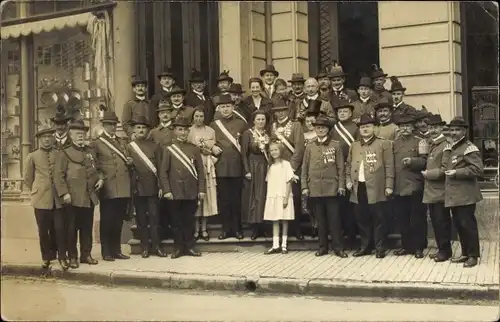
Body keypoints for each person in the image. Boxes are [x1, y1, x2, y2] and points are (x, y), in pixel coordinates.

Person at [54, 119, 103, 268]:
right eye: (77, 133)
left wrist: (101, 178)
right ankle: (73, 257)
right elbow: (58, 176)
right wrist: (64, 194)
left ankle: (86, 255)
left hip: (89, 196)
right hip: (73, 197)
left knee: (87, 228)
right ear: (70, 135)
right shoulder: (64, 153)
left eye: (82, 133)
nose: (80, 135)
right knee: (72, 229)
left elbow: (99, 168)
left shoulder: (90, 152)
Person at [346, 113, 394, 259]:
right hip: (358, 187)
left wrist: (389, 185)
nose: (365, 129)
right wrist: (348, 180)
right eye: (362, 127)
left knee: (379, 218)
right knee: (362, 218)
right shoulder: (354, 145)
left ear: (374, 127)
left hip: (377, 187)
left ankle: (380, 248)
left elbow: (389, 165)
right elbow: (348, 165)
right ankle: (365, 247)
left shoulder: (383, 143)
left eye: (367, 126)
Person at [160, 117, 206, 259]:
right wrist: (167, 190)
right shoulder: (168, 149)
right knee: (176, 221)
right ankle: (178, 247)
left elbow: (200, 171)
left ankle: (190, 246)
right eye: (180, 129)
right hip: (174, 192)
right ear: (174, 131)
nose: (183, 132)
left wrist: (201, 189)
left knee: (189, 220)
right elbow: (163, 172)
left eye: (186, 130)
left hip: (191, 191)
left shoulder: (194, 149)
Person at [302, 114, 347, 258]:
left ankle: (338, 248)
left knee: (335, 220)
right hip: (315, 188)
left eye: (323, 128)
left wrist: (341, 185)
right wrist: (305, 186)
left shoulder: (335, 145)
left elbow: (341, 167)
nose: (320, 130)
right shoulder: (310, 146)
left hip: (332, 188)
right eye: (318, 128)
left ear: (328, 130)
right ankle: (322, 247)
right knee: (320, 221)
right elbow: (305, 167)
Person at [25, 122, 68, 270]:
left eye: (49, 136)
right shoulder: (33, 156)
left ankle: (62, 257)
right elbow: (28, 178)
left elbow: (64, 174)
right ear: (39, 139)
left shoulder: (59, 154)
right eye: (44, 137)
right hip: (41, 199)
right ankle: (46, 257)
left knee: (60, 229)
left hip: (58, 199)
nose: (47, 140)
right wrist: (38, 190)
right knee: (43, 230)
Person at [91, 111, 133, 261]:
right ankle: (106, 251)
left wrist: (129, 161)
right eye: (109, 125)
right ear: (104, 126)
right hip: (108, 185)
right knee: (107, 220)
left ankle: (116, 250)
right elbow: (94, 165)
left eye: (114, 125)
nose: (112, 127)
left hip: (122, 185)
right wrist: (101, 178)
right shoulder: (97, 143)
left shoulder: (122, 142)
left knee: (118, 220)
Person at [443, 116, 483, 268]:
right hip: (454, 195)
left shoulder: (468, 148)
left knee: (468, 225)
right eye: (451, 130)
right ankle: (465, 252)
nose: (453, 133)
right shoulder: (452, 147)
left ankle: (473, 256)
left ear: (464, 131)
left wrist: (457, 172)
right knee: (459, 225)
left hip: (466, 195)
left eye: (457, 130)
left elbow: (478, 170)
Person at [125, 116, 167, 258]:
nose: (141, 130)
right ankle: (144, 247)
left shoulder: (155, 146)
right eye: (138, 127)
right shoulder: (129, 147)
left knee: (155, 218)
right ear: (134, 130)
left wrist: (162, 186)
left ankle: (157, 246)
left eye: (143, 127)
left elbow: (161, 168)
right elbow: (126, 170)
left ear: (148, 130)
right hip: (138, 187)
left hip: (153, 187)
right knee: (141, 219)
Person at [210, 94, 247, 240]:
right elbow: (208, 141)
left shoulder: (241, 124)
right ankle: (226, 229)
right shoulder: (213, 125)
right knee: (224, 200)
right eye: (223, 107)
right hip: (221, 166)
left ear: (233, 107)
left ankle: (237, 229)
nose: (226, 109)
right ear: (219, 108)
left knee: (236, 200)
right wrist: (212, 146)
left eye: (228, 106)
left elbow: (245, 144)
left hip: (237, 165)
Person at [392, 114, 428, 259]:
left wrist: (412, 161)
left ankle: (418, 247)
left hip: (415, 185)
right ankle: (406, 246)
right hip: (399, 186)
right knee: (402, 218)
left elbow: (425, 161)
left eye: (407, 126)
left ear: (413, 127)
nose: (405, 128)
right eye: (402, 126)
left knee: (417, 218)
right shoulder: (394, 143)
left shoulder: (420, 141)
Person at [271, 98, 306, 240]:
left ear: (287, 111)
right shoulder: (272, 126)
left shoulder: (295, 125)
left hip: (292, 167)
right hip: (277, 167)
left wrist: (291, 168)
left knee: (294, 198)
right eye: (277, 111)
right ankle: (279, 231)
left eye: (282, 110)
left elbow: (299, 148)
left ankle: (296, 229)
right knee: (279, 197)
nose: (280, 114)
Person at [421, 114, 452, 262]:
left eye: (435, 127)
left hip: (440, 191)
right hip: (431, 192)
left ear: (441, 128)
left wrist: (428, 174)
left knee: (442, 222)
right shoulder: (432, 143)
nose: (433, 130)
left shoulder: (445, 145)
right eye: (431, 127)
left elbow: (444, 169)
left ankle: (445, 252)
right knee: (435, 222)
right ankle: (441, 249)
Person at [329, 100, 360, 249]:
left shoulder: (356, 128)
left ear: (351, 113)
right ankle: (342, 237)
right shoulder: (334, 128)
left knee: (352, 207)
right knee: (340, 207)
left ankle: (352, 237)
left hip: (352, 169)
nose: (342, 113)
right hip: (337, 170)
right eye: (340, 111)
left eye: (345, 111)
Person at [187, 107, 219, 240]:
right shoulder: (188, 131)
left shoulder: (210, 131)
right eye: (196, 116)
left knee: (206, 196)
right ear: (193, 117)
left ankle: (204, 229)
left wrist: (209, 151)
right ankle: (195, 229)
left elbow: (214, 148)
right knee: (196, 197)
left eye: (201, 116)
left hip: (206, 165)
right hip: (193, 165)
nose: (198, 119)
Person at [241, 110, 271, 240]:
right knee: (254, 196)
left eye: (263, 119)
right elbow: (244, 154)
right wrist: (247, 170)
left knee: (264, 195)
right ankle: (254, 228)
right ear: (253, 121)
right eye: (258, 119)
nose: (261, 122)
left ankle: (264, 227)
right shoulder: (248, 134)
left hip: (265, 166)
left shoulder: (268, 134)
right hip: (253, 166)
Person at [263, 140, 295, 254]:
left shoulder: (286, 164)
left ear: (280, 150)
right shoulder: (270, 166)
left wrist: (286, 197)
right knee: (275, 220)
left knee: (284, 219)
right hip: (273, 196)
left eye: (276, 149)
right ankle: (275, 245)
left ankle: (284, 245)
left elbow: (289, 181)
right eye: (271, 150)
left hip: (283, 195)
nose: (273, 152)